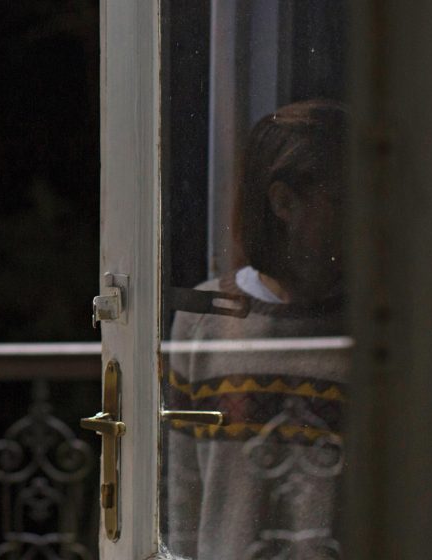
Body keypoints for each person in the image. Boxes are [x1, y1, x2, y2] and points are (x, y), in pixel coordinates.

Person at [164, 99, 349, 559]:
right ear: (283, 202)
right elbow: (179, 488)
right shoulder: (204, 319)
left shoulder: (379, 326)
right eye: (344, 201)